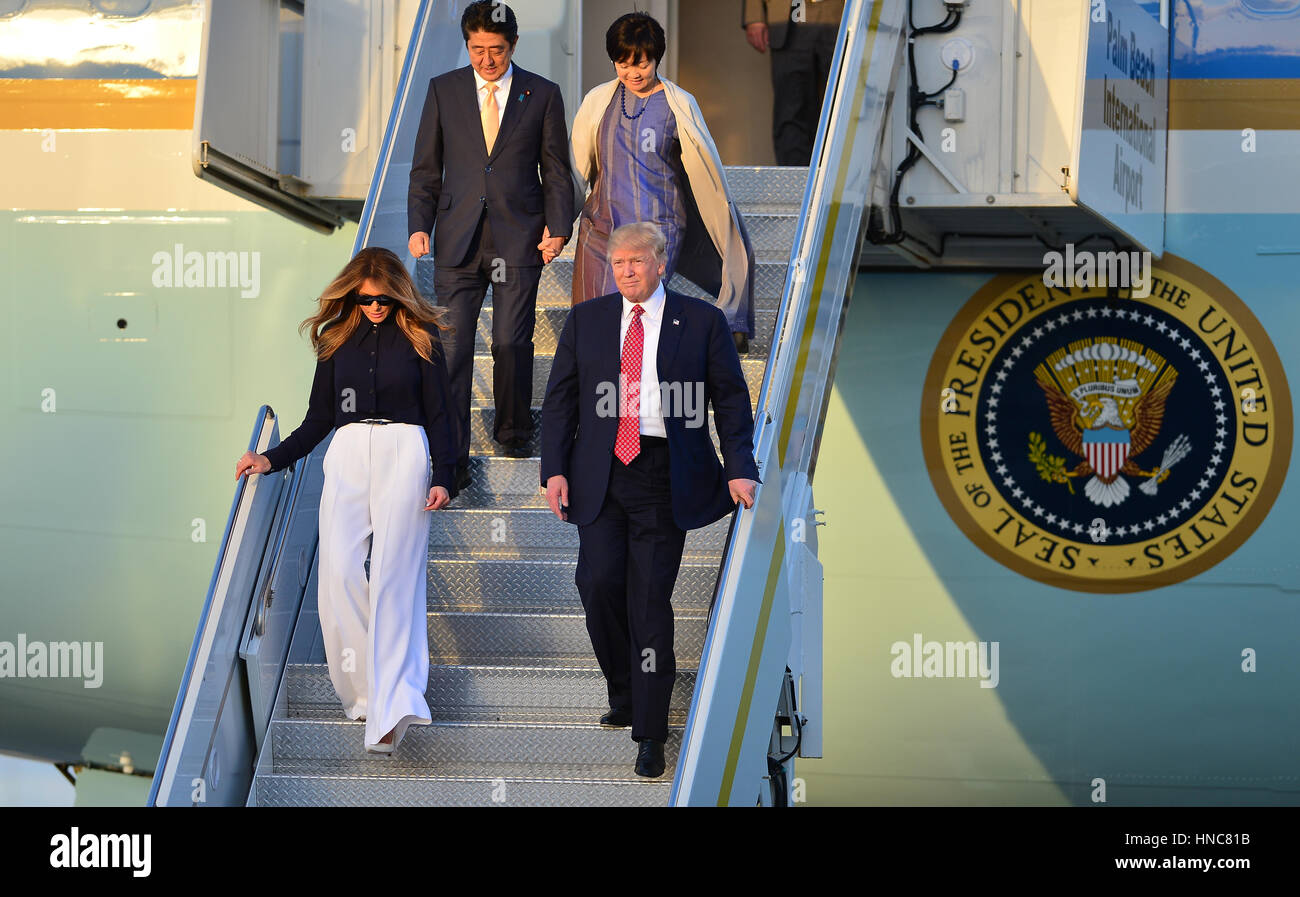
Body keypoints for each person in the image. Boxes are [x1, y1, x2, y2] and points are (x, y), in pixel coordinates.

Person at [539, 222, 760, 778]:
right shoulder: (588, 321)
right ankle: (624, 691)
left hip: (665, 475)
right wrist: (554, 471)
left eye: (637, 261)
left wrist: (739, 468)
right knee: (596, 583)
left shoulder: (702, 321)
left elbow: (731, 402)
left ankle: (651, 731)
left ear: (661, 263)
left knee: (649, 602)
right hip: (601, 474)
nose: (627, 272)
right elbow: (561, 401)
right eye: (618, 264)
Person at [235, 247, 458, 755]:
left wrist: (445, 475)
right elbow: (318, 419)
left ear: (399, 293)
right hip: (349, 450)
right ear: (353, 294)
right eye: (365, 298)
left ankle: (395, 701)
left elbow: (443, 415)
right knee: (337, 573)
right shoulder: (335, 341)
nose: (375, 306)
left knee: (395, 579)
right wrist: (271, 458)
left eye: (384, 298)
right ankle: (363, 692)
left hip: (406, 449)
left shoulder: (421, 338)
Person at [407, 0, 575, 488]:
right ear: (467, 45)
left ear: (514, 46)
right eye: (477, 49)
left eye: (496, 50)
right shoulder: (444, 91)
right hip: (456, 241)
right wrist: (420, 224)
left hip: (518, 238)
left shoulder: (541, 94)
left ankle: (514, 430)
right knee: (452, 351)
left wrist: (558, 227)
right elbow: (425, 168)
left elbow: (556, 170)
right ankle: (452, 462)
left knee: (510, 342)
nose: (486, 59)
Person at [571, 12, 756, 355]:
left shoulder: (679, 104)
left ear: (657, 58)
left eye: (641, 63)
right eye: (622, 63)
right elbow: (576, 168)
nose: (632, 72)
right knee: (593, 327)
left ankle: (639, 401)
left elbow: (706, 171)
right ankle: (597, 405)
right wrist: (554, 225)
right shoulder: (599, 100)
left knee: (633, 318)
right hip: (601, 230)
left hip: (657, 229)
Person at [742, 0, 846, 165]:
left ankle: (844, 182)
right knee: (791, 109)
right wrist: (754, 15)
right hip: (788, 13)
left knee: (844, 105)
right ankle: (796, 185)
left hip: (841, 10)